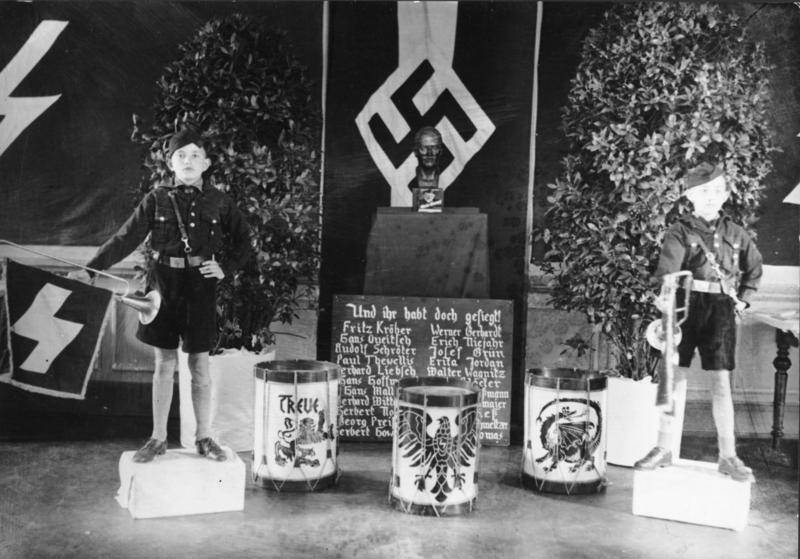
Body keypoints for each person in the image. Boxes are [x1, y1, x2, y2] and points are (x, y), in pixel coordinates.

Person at [69, 128, 252, 463]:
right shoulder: (157, 198)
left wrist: (225, 267)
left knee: (199, 365)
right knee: (164, 363)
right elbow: (125, 238)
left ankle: (204, 437)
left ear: (207, 163)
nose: (188, 161)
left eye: (195, 155)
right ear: (170, 163)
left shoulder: (220, 201)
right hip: (163, 286)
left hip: (200, 287)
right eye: (180, 155)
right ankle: (157, 439)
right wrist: (91, 269)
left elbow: (245, 241)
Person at [634, 161, 762, 482]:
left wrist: (744, 297)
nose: (709, 197)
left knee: (721, 383)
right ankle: (662, 448)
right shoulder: (680, 230)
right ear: (690, 196)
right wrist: (664, 295)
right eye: (701, 192)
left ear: (725, 194)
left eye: (715, 191)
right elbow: (668, 269)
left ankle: (728, 456)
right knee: (673, 379)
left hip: (720, 309)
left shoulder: (736, 233)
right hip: (684, 306)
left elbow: (754, 266)